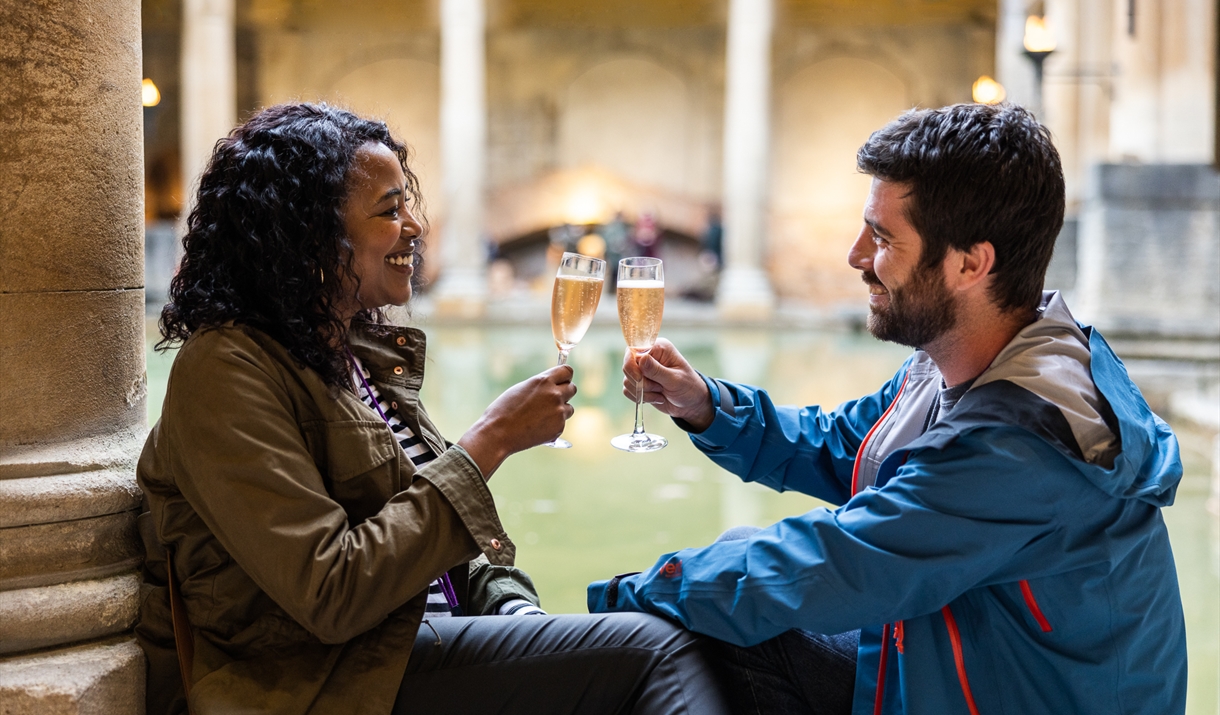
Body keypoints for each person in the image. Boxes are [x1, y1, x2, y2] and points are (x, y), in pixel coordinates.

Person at [588, 103, 1187, 715]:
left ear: (968, 264)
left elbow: (833, 566)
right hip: (959, 669)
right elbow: (845, 445)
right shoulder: (960, 358)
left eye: (881, 236)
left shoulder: (1022, 441)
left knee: (721, 609)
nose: (855, 255)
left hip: (1005, 693)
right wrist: (709, 406)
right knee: (735, 592)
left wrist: (610, 600)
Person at [135, 103, 730, 715]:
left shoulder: (354, 356)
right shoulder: (226, 370)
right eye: (390, 211)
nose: (416, 227)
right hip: (338, 682)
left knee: (685, 631)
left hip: (416, 649)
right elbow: (330, 590)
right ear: (310, 233)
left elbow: (458, 553)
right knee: (656, 647)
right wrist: (490, 440)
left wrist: (516, 613)